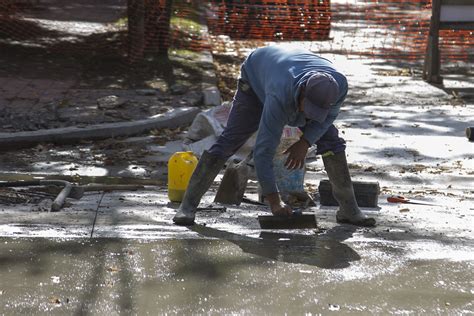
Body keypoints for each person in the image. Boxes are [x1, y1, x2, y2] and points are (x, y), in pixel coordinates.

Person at [173, 45, 375, 227]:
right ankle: (188, 206)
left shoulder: (338, 86)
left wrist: (305, 142)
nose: (309, 116)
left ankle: (349, 210)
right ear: (302, 92)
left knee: (331, 143)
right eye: (308, 109)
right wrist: (274, 202)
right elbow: (263, 151)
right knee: (230, 140)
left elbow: (327, 118)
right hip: (256, 77)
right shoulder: (280, 96)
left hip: (287, 66)